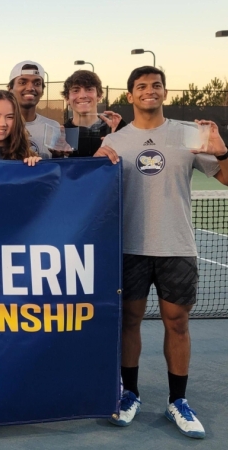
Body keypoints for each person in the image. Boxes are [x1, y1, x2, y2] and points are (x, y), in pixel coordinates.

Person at [95, 66, 228, 439]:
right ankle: (129, 395)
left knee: (178, 323)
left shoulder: (191, 134)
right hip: (130, 248)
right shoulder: (117, 142)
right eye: (141, 87)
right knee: (130, 323)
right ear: (131, 95)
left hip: (177, 247)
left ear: (165, 93)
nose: (149, 91)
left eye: (156, 86)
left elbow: (225, 176)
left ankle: (178, 402)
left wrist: (223, 150)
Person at [61, 70, 125, 157]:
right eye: (76, 90)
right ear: (67, 98)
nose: (82, 95)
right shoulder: (61, 135)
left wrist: (120, 135)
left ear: (99, 96)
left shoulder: (115, 131)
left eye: (89, 89)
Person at [7, 61, 55, 159]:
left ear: (42, 91)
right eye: (22, 82)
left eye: (37, 83)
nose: (30, 88)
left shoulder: (53, 127)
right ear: (10, 89)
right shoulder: (0, 127)